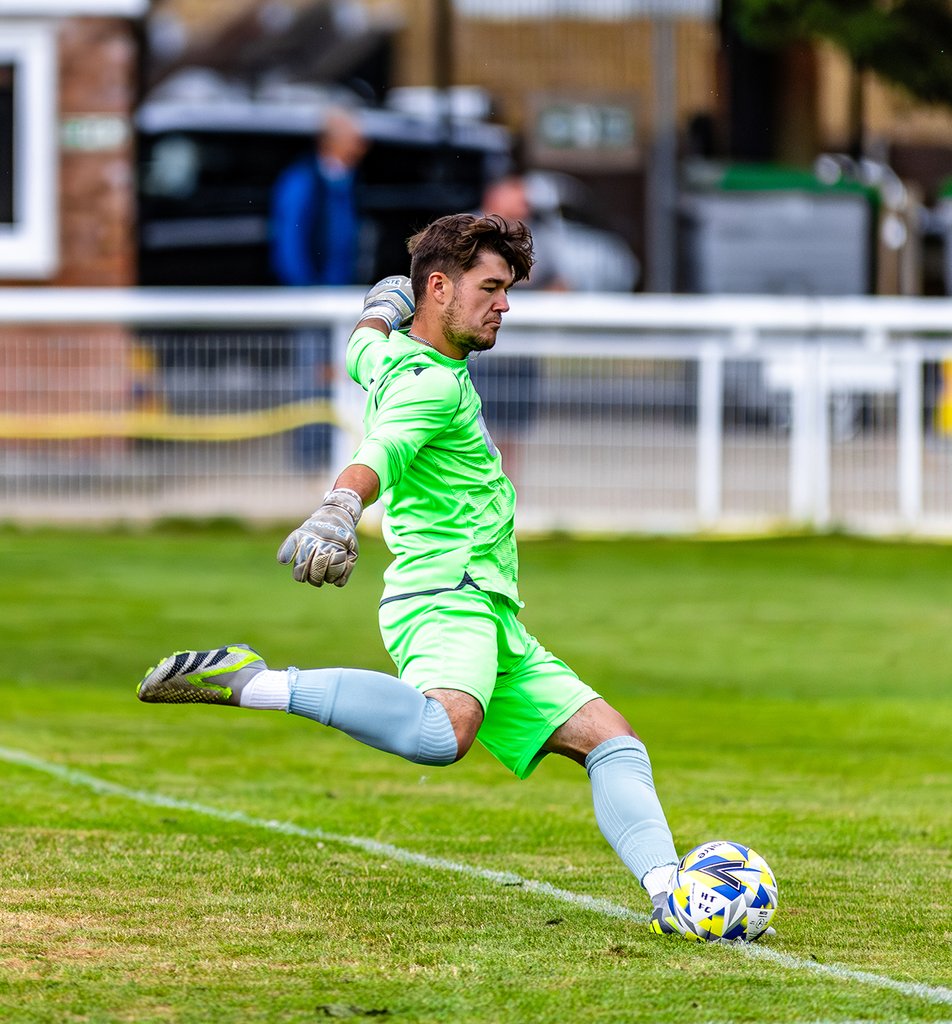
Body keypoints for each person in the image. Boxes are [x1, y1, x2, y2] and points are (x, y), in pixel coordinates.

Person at [137, 212, 684, 936]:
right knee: (440, 733)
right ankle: (254, 681)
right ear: (439, 288)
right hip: (445, 596)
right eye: (491, 287)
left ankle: (672, 891)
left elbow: (363, 347)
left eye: (508, 288)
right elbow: (384, 449)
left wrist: (378, 310)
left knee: (612, 741)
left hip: (491, 613)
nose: (506, 304)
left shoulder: (392, 359)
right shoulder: (430, 387)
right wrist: (339, 507)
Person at [269, 107, 369, 469]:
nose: (363, 146)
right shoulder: (304, 182)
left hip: (340, 299)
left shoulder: (343, 181)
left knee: (338, 376)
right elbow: (289, 245)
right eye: (355, 139)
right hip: (314, 301)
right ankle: (310, 459)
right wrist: (308, 293)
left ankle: (333, 456)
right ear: (335, 142)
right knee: (312, 378)